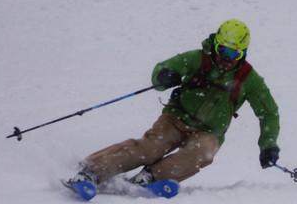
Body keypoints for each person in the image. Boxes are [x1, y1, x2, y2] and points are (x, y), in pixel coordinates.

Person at [66, 19, 280, 187]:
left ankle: (150, 178)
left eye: (234, 53)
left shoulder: (248, 79)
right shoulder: (198, 59)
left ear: (243, 53)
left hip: (209, 131)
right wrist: (165, 76)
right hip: (176, 118)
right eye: (222, 50)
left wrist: (268, 145)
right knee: (150, 149)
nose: (227, 57)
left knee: (204, 151)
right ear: (215, 45)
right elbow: (164, 67)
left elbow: (268, 112)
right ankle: (92, 170)